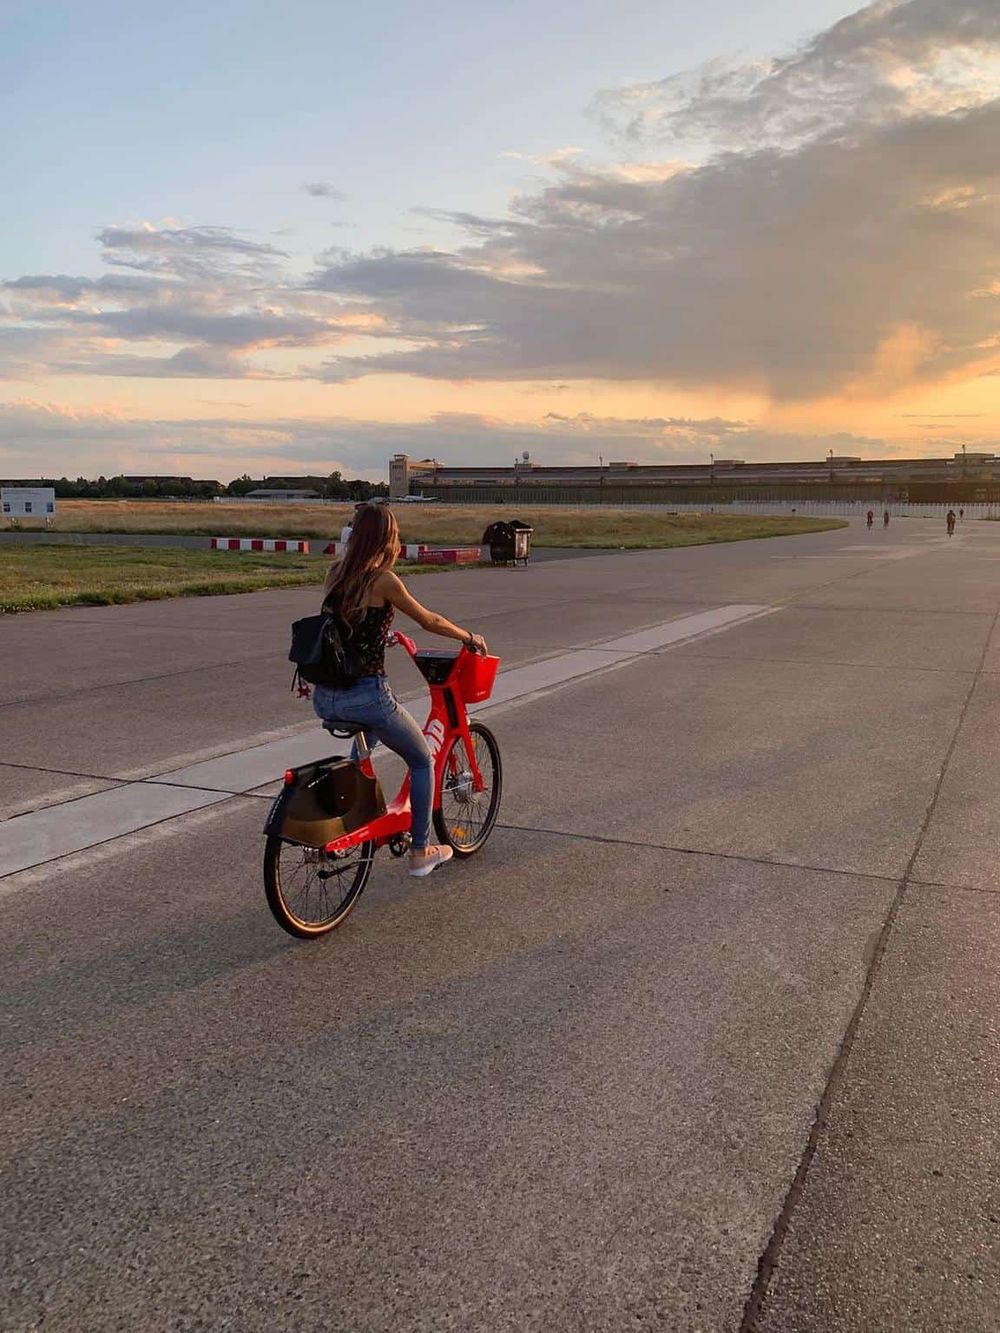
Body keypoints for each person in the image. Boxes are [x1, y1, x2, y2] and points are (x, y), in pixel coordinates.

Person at [314, 504, 487, 878]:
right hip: (367, 695)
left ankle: (358, 812)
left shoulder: (336, 573)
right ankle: (422, 850)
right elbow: (429, 620)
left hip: (326, 695)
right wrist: (469, 637)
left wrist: (380, 635)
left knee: (363, 748)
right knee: (422, 760)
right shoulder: (382, 580)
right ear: (386, 538)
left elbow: (343, 629)